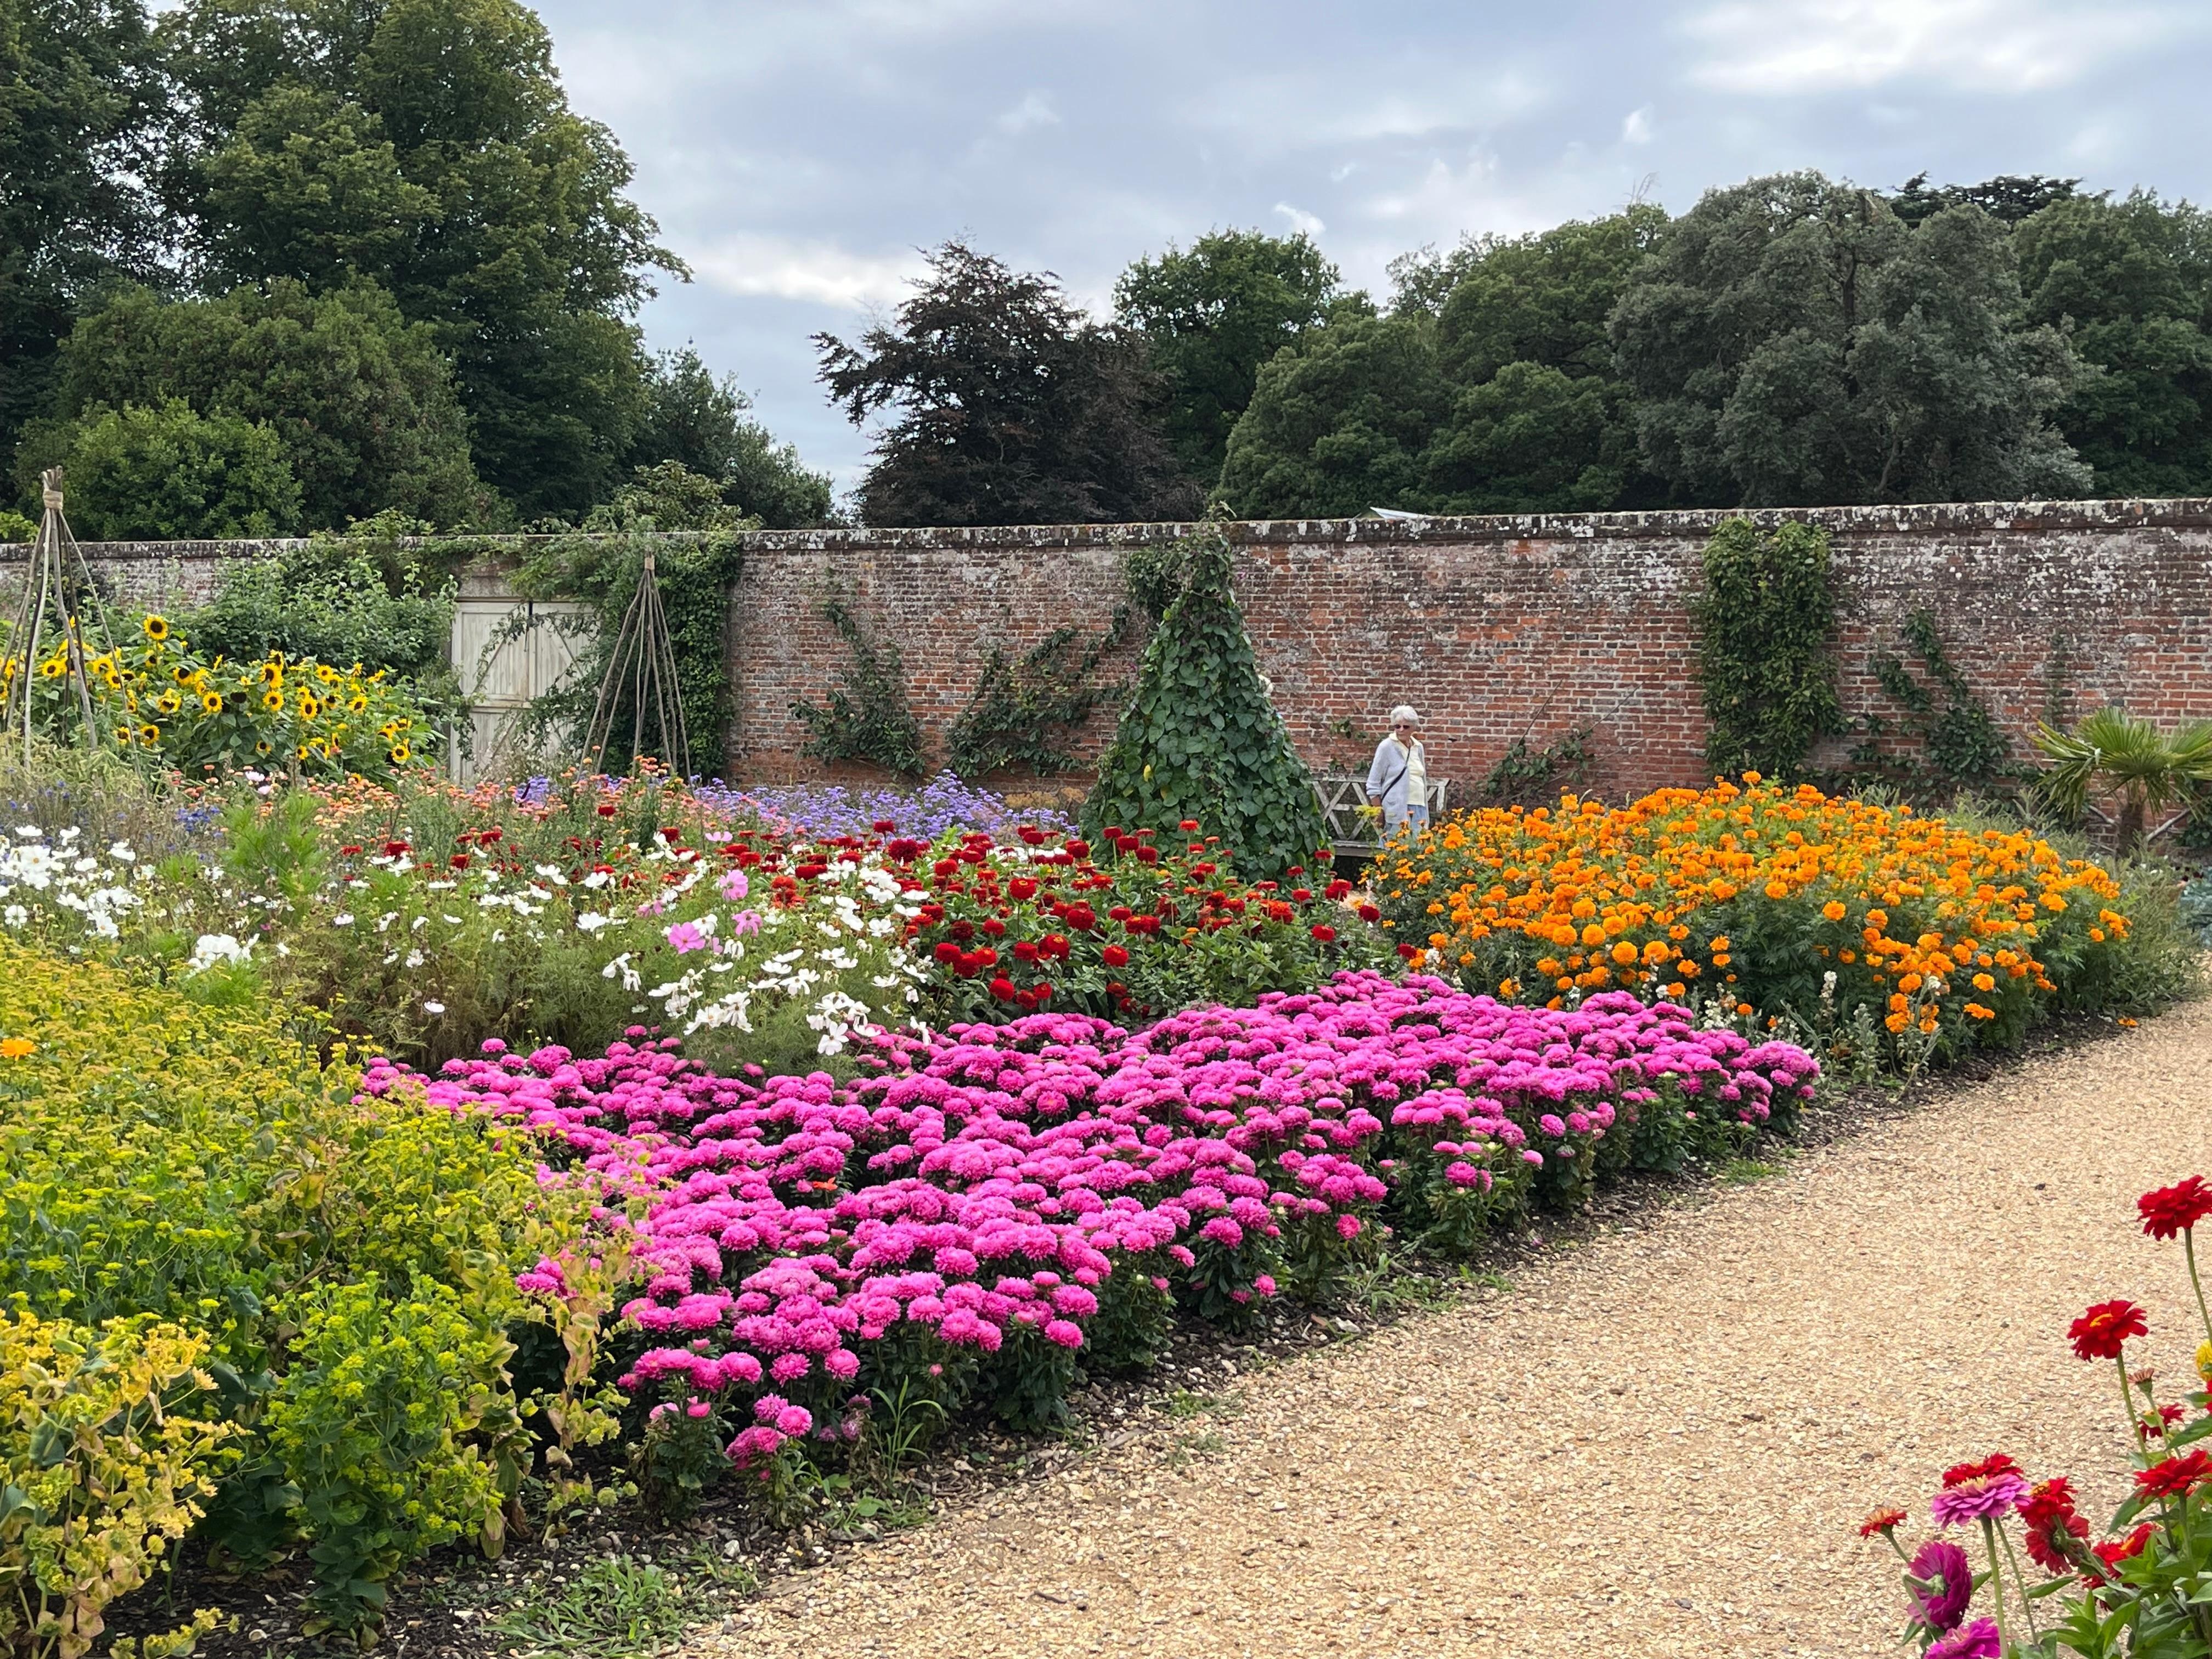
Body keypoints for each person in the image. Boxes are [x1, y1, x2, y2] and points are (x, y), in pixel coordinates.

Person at [1366, 706, 1429, 834]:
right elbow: (1373, 783)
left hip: (1419, 808)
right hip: (1396, 810)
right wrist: (1379, 811)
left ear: (1413, 728)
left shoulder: (1418, 747)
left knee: (1419, 851)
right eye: (1397, 726)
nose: (1401, 730)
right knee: (1396, 850)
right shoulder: (1386, 747)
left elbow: (1422, 780)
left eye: (1406, 727)